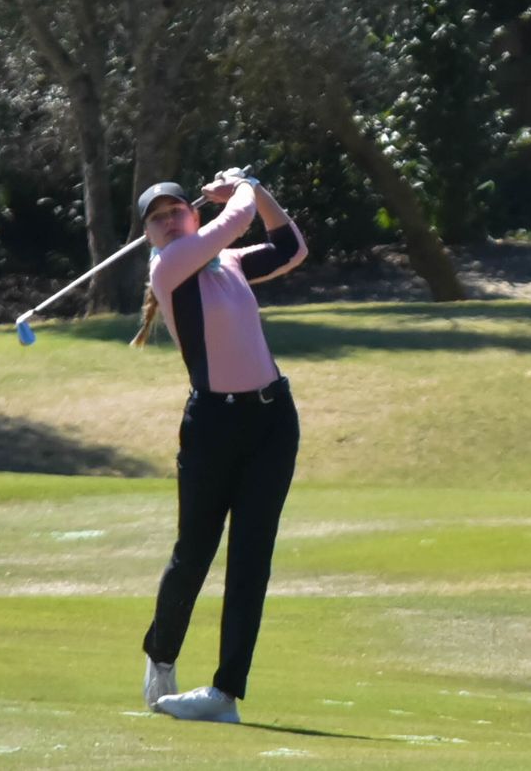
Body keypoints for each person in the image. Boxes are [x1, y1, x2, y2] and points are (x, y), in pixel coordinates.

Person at [130, 168, 307, 723]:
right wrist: (243, 185)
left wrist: (259, 189)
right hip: (212, 426)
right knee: (195, 552)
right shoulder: (169, 269)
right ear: (152, 237)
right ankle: (161, 657)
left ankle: (225, 693)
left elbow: (291, 247)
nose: (167, 222)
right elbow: (240, 217)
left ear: (192, 214)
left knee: (251, 558)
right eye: (156, 220)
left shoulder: (227, 263)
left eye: (175, 211)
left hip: (272, 421)